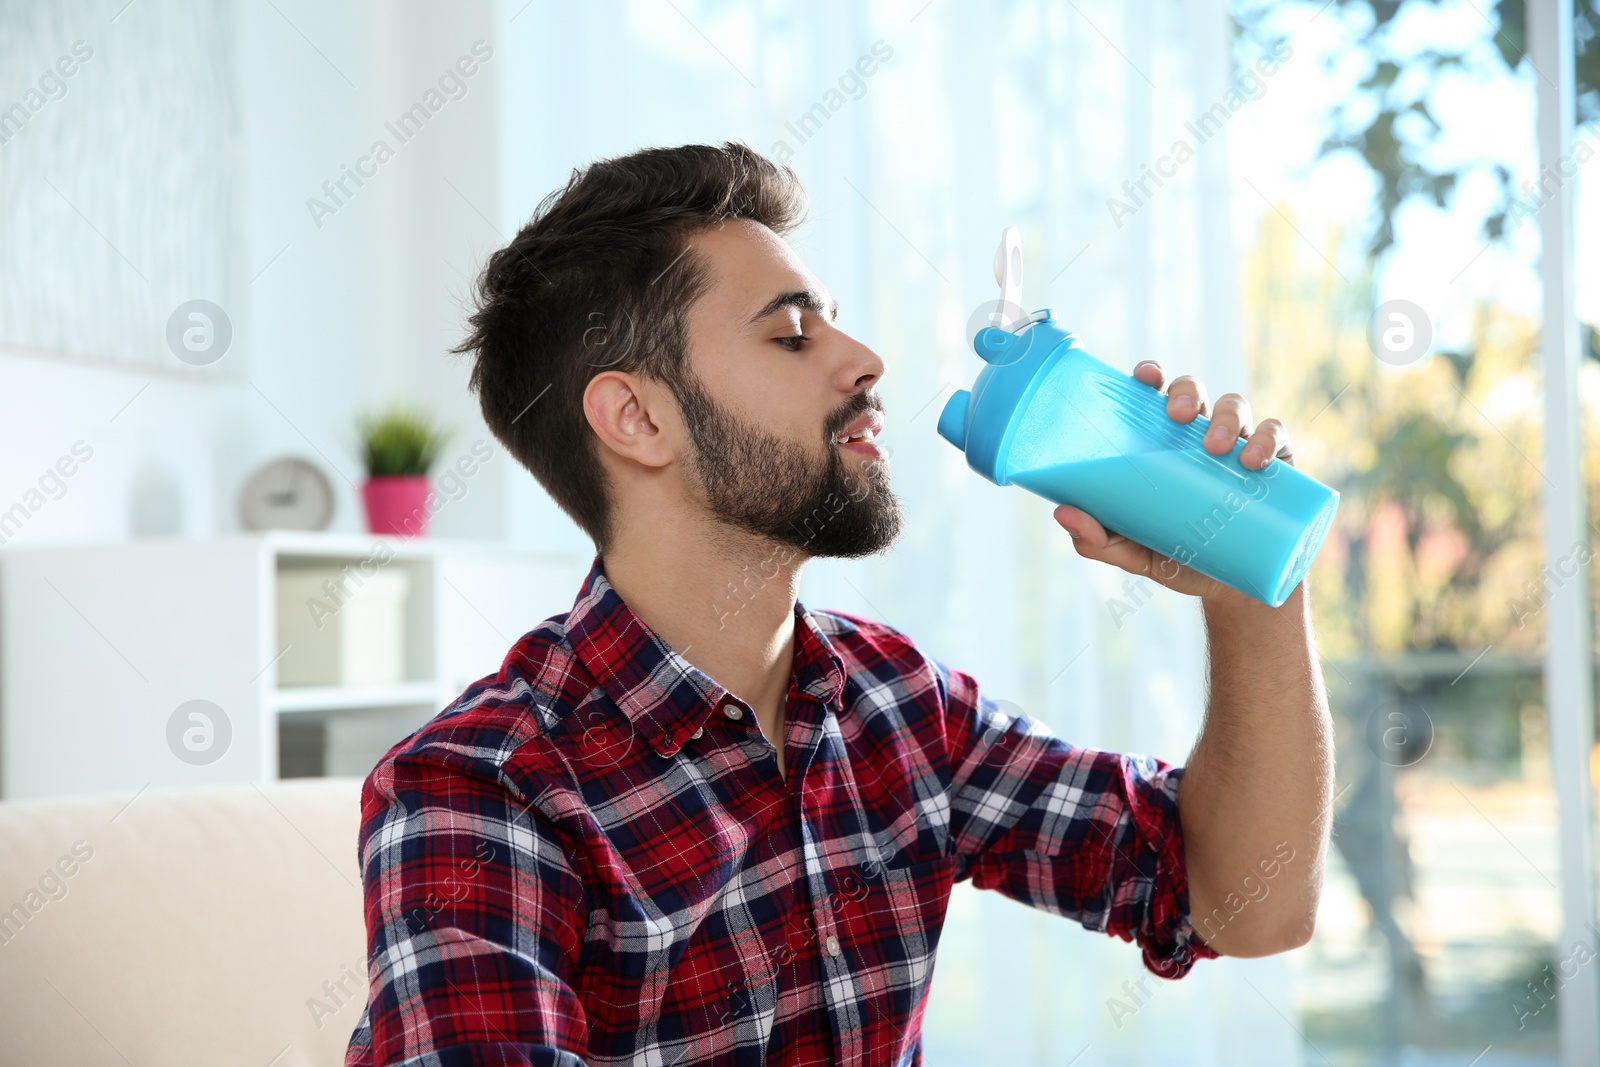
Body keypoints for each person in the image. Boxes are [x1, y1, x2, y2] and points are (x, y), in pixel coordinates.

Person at [344, 141, 1333, 1067]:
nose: (864, 359)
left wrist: (1250, 586)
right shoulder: (482, 789)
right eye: (789, 333)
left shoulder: (893, 700)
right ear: (637, 417)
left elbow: (1246, 902)